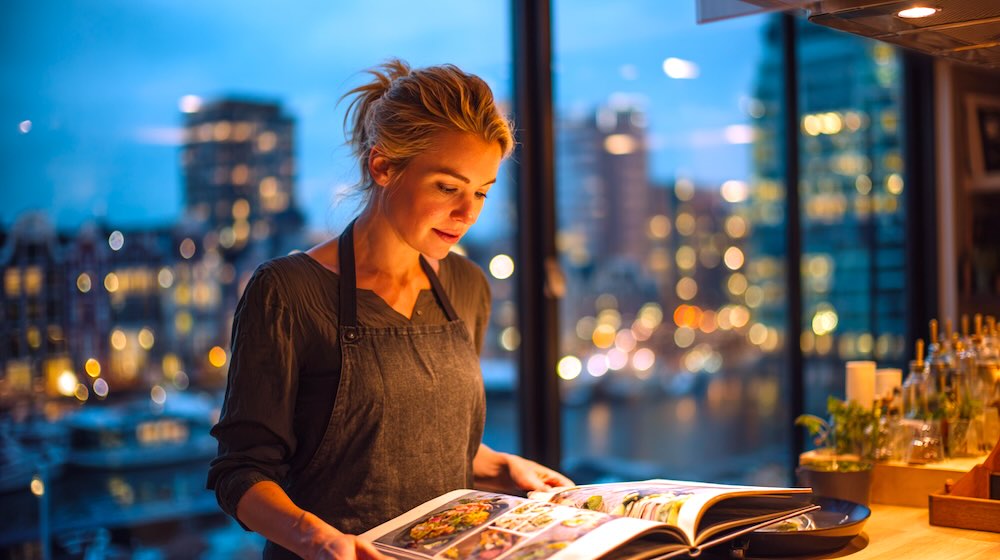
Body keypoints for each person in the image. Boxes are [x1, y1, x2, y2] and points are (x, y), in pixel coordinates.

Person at [207, 59, 573, 560]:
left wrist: (500, 467)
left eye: (481, 192)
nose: (468, 213)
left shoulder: (467, 287)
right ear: (383, 166)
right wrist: (314, 538)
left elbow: (413, 445)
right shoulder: (288, 292)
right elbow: (240, 474)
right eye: (448, 187)